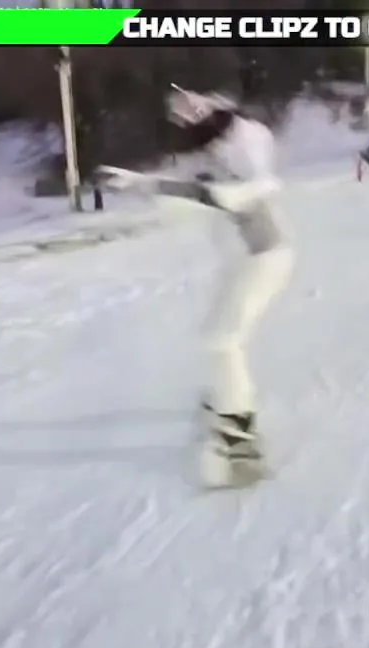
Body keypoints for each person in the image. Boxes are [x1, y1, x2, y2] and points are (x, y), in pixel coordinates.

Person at [94, 87, 292, 474]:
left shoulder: (246, 143)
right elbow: (184, 187)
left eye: (203, 130)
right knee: (216, 335)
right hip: (245, 259)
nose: (204, 145)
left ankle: (240, 440)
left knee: (221, 339)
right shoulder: (216, 152)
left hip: (267, 258)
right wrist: (133, 181)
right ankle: (227, 398)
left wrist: (233, 192)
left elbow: (266, 181)